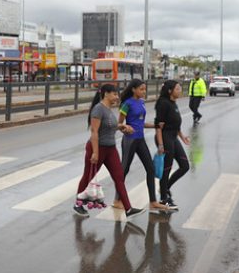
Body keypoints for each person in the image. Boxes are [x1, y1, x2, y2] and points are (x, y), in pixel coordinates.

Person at [73, 83, 144, 218]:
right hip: (98, 148)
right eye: (114, 94)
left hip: (110, 149)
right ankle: (78, 204)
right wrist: (95, 152)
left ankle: (128, 209)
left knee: (119, 178)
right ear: (106, 94)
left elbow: (109, 127)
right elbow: (94, 132)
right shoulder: (98, 109)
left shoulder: (108, 109)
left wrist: (122, 127)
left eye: (117, 94)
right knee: (88, 176)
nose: (117, 97)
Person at [115, 79, 172, 213]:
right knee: (124, 169)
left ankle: (153, 202)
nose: (144, 91)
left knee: (151, 169)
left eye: (144, 89)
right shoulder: (126, 104)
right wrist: (126, 128)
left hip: (140, 139)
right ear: (133, 89)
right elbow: (119, 125)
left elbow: (140, 122)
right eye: (141, 89)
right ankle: (117, 200)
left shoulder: (141, 102)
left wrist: (155, 125)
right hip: (130, 140)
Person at [154, 80, 190, 210]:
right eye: (177, 89)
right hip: (164, 138)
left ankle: (166, 188)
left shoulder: (173, 103)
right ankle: (164, 199)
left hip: (173, 137)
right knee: (166, 169)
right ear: (170, 91)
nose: (179, 91)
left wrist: (182, 136)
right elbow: (158, 127)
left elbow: (175, 124)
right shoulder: (163, 104)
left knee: (185, 166)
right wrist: (160, 145)